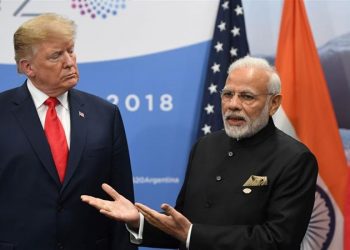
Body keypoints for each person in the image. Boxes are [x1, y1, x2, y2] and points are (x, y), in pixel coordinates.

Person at [81, 56, 318, 249]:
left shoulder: (295, 159)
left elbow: (278, 240)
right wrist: (139, 221)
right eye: (227, 94)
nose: (233, 104)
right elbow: (181, 228)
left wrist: (193, 234)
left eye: (246, 96)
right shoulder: (205, 146)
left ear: (274, 104)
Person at [0, 13, 137, 250]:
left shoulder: (105, 114)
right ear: (27, 67)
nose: (70, 61)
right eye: (56, 56)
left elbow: (121, 200)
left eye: (70, 51)